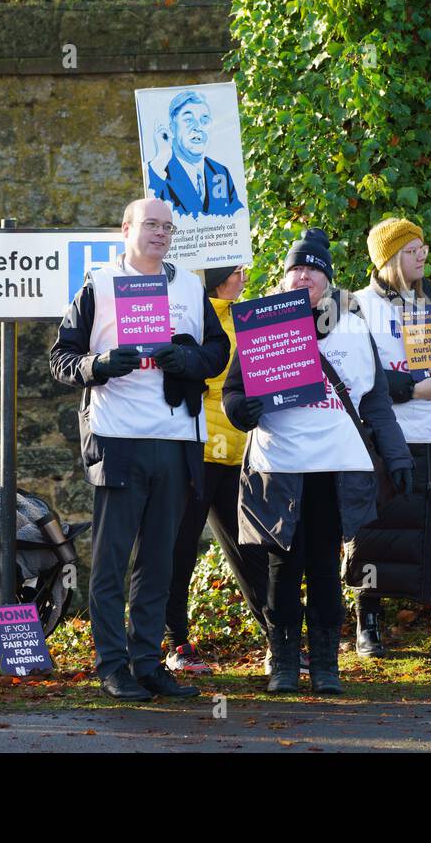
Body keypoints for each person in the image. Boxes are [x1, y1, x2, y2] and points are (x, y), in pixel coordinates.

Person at [48, 197, 230, 701]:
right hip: (118, 437)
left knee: (161, 559)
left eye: (167, 227)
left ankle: (148, 663)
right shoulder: (99, 284)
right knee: (111, 559)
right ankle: (112, 665)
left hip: (176, 439)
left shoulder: (192, 286)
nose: (160, 234)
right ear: (126, 229)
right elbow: (62, 358)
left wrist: (185, 358)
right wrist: (101, 364)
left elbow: (218, 354)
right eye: (150, 224)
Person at [222, 229, 413, 695]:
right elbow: (233, 391)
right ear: (284, 277)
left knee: (326, 567)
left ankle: (326, 663)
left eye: (313, 269)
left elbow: (376, 403)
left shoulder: (354, 325)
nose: (303, 275)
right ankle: (283, 661)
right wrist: (239, 409)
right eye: (296, 268)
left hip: (335, 465)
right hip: (279, 465)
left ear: (327, 280)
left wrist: (397, 454)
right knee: (280, 569)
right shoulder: (261, 324)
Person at [345, 218, 431, 658]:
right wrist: (410, 389)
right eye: (411, 249)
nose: (422, 254)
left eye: (423, 246)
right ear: (387, 258)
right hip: (390, 437)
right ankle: (369, 621)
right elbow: (354, 376)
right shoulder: (357, 307)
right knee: (376, 531)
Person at [163, 264, 270, 673]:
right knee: (179, 549)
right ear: (218, 277)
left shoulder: (250, 317)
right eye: (237, 271)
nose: (244, 276)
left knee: (252, 551)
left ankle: (279, 641)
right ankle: (176, 644)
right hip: (195, 451)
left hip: (239, 455)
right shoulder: (187, 312)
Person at [145, 89, 244, 217]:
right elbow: (151, 212)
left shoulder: (220, 172)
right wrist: (160, 160)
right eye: (188, 120)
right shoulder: (158, 171)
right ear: (171, 128)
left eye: (204, 120)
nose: (198, 127)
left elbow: (237, 214)